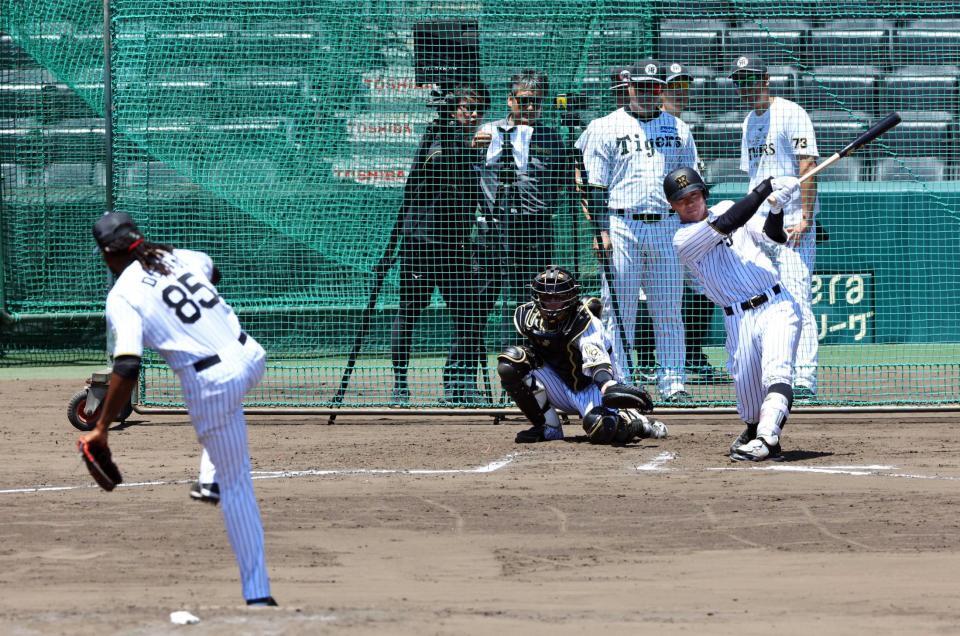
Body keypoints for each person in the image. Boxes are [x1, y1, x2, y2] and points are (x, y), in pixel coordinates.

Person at [80, 211, 277, 605]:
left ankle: (258, 596)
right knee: (224, 428)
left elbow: (127, 364)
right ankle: (213, 472)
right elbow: (213, 271)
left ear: (105, 254)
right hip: (251, 355)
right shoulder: (177, 255)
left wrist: (101, 426)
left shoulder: (122, 295)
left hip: (213, 383)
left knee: (238, 484)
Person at [576, 59, 698, 403]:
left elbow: (688, 179)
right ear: (627, 87)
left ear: (661, 89)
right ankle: (620, 381)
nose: (646, 92)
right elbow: (593, 185)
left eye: (653, 87)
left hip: (666, 224)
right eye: (639, 86)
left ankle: (673, 383)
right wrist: (600, 231)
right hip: (622, 224)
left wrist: (690, 226)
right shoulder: (606, 126)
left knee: (669, 309)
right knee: (619, 309)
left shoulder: (678, 128)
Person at [666, 165, 802, 461]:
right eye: (682, 200)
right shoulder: (682, 240)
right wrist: (766, 187)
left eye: (694, 195)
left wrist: (777, 209)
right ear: (673, 206)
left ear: (703, 193)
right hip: (737, 319)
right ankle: (755, 429)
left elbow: (774, 237)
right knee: (749, 399)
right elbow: (729, 222)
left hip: (776, 304)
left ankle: (767, 439)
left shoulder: (727, 206)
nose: (690, 203)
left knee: (777, 371)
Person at [390, 82, 491, 405]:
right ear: (452, 109)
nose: (473, 114)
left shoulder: (473, 143)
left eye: (478, 110)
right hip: (423, 242)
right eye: (467, 107)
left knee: (468, 313)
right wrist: (470, 148)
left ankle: (460, 385)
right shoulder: (439, 136)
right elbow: (439, 162)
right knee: (409, 311)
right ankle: (400, 385)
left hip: (456, 244)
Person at [497, 265, 667, 444]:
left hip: (590, 386)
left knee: (601, 429)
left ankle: (639, 424)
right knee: (510, 363)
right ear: (538, 297)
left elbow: (598, 365)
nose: (553, 301)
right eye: (547, 297)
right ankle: (547, 428)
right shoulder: (528, 317)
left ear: (571, 297)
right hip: (557, 383)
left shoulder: (584, 321)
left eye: (560, 297)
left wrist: (608, 386)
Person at [731, 54, 820, 400]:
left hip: (792, 223)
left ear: (766, 79)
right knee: (764, 301)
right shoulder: (748, 122)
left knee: (798, 299)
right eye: (739, 81)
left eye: (750, 79)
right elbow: (753, 177)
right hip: (760, 226)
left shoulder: (791, 112)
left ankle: (805, 378)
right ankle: (774, 373)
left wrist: (806, 217)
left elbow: (808, 165)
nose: (745, 87)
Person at [634, 61, 726, 383]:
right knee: (650, 290)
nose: (679, 93)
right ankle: (646, 360)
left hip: (683, 220)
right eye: (673, 86)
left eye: (684, 86)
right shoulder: (646, 126)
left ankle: (693, 355)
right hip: (653, 221)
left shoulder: (681, 128)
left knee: (700, 284)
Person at [475, 69, 567, 342]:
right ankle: (465, 374)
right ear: (510, 100)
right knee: (482, 298)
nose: (529, 107)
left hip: (536, 226)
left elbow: (560, 178)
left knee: (536, 299)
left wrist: (543, 206)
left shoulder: (551, 137)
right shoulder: (488, 133)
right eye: (523, 100)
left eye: (536, 102)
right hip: (495, 226)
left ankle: (531, 366)